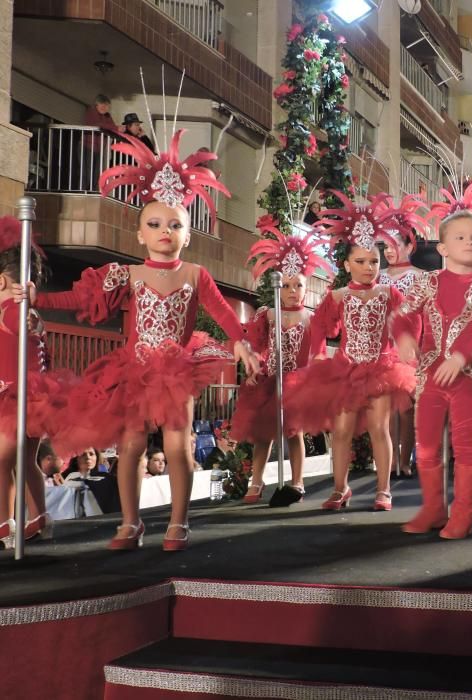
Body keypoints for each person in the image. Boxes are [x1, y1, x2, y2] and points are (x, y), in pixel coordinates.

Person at [17, 128, 260, 552]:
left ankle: (177, 523)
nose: (165, 231)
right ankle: (130, 524)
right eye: (154, 224)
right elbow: (81, 297)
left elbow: (223, 312)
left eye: (175, 225)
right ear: (139, 234)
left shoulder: (195, 274)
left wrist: (240, 342)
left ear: (187, 234)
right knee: (129, 446)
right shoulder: (126, 275)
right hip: (133, 369)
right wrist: (41, 296)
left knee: (178, 447)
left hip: (177, 371)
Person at [285, 191, 416, 512]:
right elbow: (318, 326)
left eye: (374, 261)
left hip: (381, 369)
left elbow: (407, 324)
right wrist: (317, 353)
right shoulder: (339, 296)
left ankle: (383, 490)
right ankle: (340, 489)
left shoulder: (390, 293)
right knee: (341, 431)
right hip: (345, 370)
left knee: (379, 429)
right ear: (346, 264)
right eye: (360, 262)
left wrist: (407, 346)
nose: (369, 267)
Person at [393, 208, 472, 539]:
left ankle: (463, 513)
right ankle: (433, 508)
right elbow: (402, 314)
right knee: (425, 446)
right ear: (442, 248)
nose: (469, 242)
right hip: (430, 377)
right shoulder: (427, 282)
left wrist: (460, 356)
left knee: (466, 447)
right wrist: (405, 335)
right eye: (460, 237)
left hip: (468, 379)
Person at [230, 224, 327, 503]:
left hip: (297, 384)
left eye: (298, 285)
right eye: (285, 285)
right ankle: (256, 481)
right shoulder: (268, 315)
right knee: (263, 435)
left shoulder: (311, 319)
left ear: (307, 287)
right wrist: (254, 369)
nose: (292, 291)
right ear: (277, 287)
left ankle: (297, 482)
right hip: (270, 380)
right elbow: (258, 347)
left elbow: (317, 353)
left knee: (294, 433)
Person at [0, 220, 65, 544]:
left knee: (2, 460)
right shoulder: (24, 311)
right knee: (24, 461)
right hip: (36, 398)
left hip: (16, 399)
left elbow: (25, 325)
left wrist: (30, 321)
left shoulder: (12, 311)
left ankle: (4, 524)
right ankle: (38, 517)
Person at [375, 194, 430, 478]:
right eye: (385, 246)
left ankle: (405, 458)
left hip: (410, 345)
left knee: (407, 407)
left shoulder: (422, 277)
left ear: (410, 245)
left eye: (395, 244)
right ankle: (391, 457)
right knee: (386, 406)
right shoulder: (376, 277)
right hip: (382, 345)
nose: (388, 251)